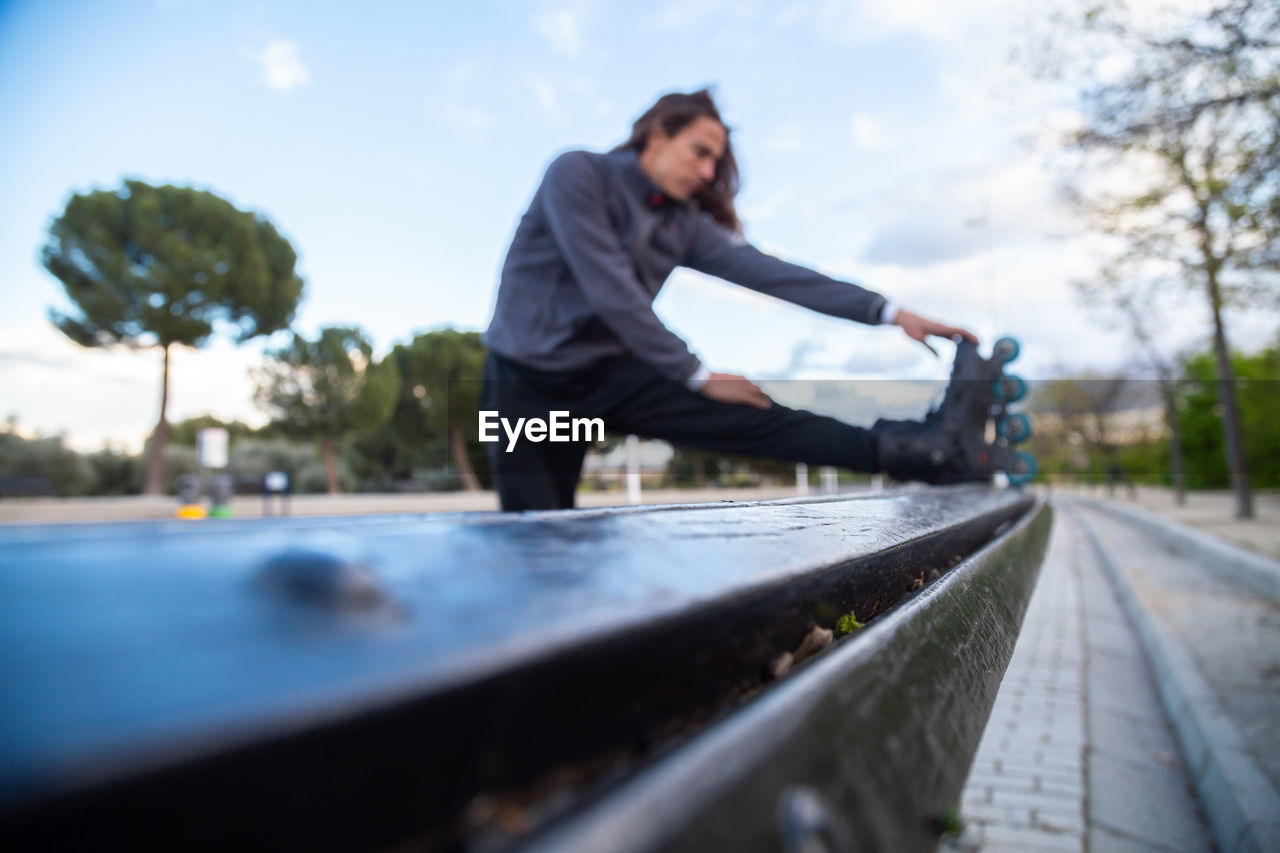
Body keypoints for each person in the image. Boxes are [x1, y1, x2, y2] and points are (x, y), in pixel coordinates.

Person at [482, 88, 981, 511]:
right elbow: (611, 289)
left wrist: (889, 312)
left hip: (613, 373)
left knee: (756, 411)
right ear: (657, 135)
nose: (707, 172)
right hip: (526, 382)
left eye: (715, 162)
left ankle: (916, 451)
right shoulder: (577, 175)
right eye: (699, 152)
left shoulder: (684, 224)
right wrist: (695, 372)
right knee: (540, 528)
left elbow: (775, 275)